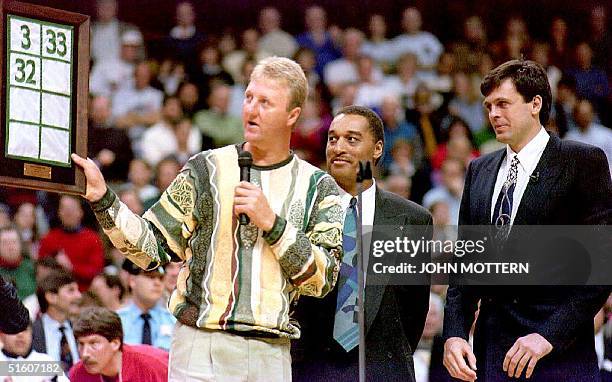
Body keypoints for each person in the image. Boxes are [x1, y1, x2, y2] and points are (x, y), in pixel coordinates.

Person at [72, 56, 344, 381]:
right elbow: (150, 249)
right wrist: (103, 198)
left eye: (266, 103)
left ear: (293, 115)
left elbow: (322, 281)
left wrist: (273, 225)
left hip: (269, 353)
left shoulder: (319, 187)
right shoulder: (205, 169)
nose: (252, 110)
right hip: (199, 346)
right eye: (248, 98)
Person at [442, 59, 612, 381]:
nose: (493, 114)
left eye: (503, 104)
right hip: (492, 356)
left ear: (535, 104)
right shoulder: (479, 169)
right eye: (488, 106)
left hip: (558, 356)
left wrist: (548, 335)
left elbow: (602, 264)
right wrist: (454, 332)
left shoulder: (581, 161)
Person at [292, 105, 432, 381]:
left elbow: (414, 312)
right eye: (333, 139)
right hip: (312, 369)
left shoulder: (414, 220)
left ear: (378, 148)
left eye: (351, 139)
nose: (338, 147)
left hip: (384, 370)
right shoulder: (299, 212)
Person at [70, 307, 168, 381]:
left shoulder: (154, 365)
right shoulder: (78, 373)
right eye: (81, 344)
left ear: (115, 343)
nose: (84, 354)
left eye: (93, 343)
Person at [117, 259, 175, 351]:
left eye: (161, 278)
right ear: (132, 281)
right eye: (151, 277)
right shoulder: (118, 321)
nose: (157, 283)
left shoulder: (173, 321)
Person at [32, 269, 82, 373]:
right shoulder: (31, 333)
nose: (79, 296)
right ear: (51, 297)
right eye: (71, 290)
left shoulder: (82, 330)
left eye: (78, 290)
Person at [0, 323, 69, 382]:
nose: (20, 335)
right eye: (14, 330)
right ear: (2, 335)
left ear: (31, 333)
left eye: (25, 329)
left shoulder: (45, 361)